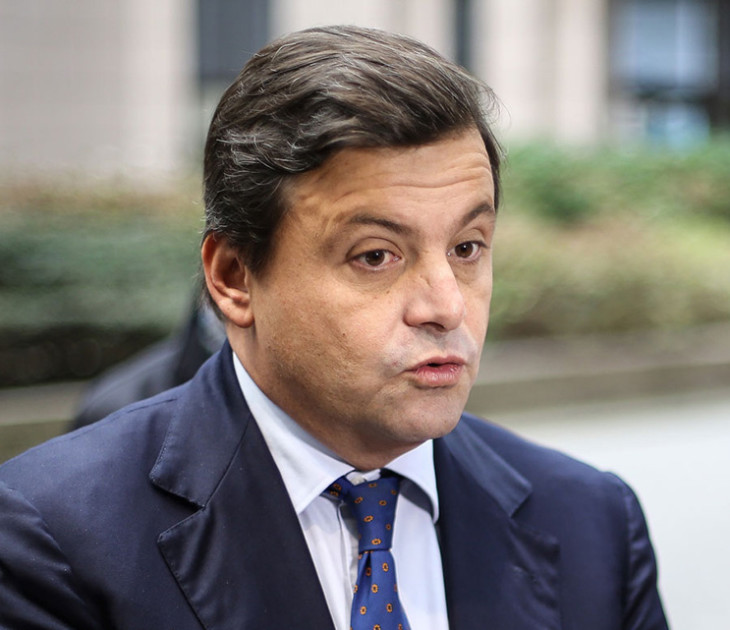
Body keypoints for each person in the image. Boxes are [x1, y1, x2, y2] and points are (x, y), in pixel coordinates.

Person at [0, 25, 668, 630]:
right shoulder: (53, 538)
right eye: (375, 256)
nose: (446, 306)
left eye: (467, 247)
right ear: (233, 277)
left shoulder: (593, 525)